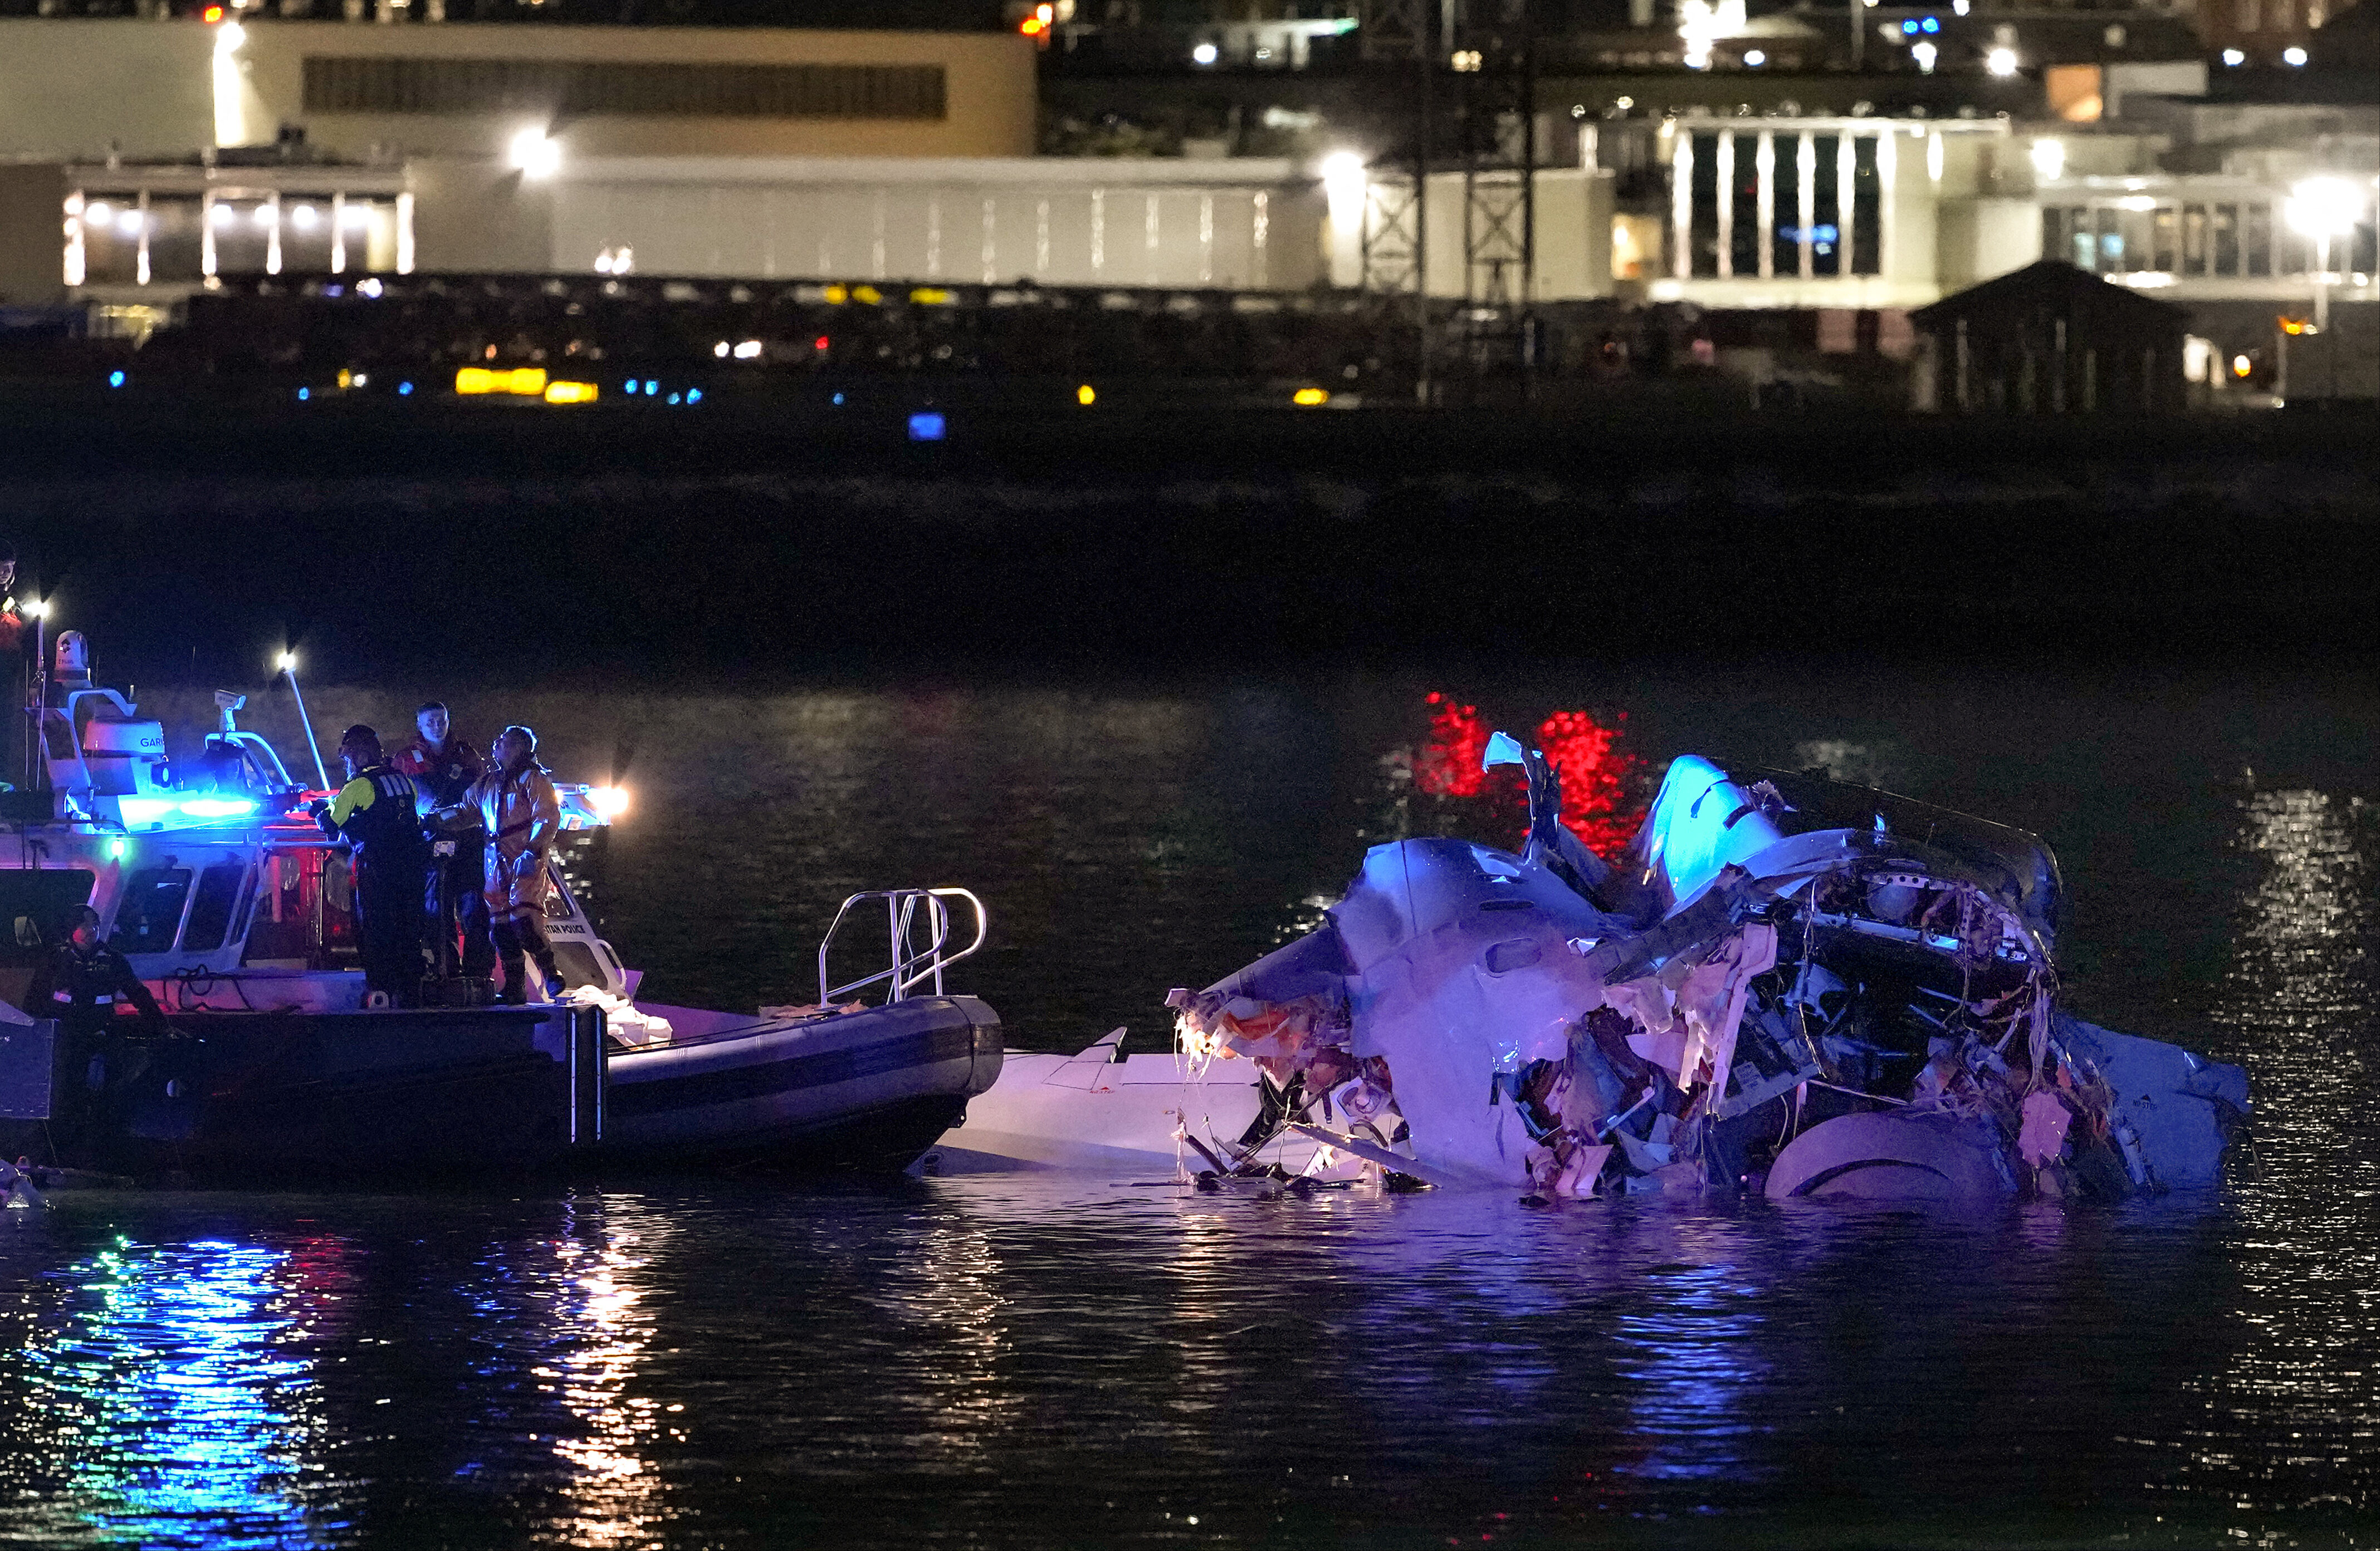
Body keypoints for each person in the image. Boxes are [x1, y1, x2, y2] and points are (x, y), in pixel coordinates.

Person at [312, 723, 433, 1007]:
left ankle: (380, 990)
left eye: (348, 759)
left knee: (376, 930)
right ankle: (410, 993)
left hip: (378, 870)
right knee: (409, 930)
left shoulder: (358, 786)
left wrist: (318, 811)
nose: (347, 765)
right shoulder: (404, 782)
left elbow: (330, 823)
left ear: (360, 757)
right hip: (412, 870)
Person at [390, 701, 492, 981]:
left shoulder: (467, 755)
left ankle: (478, 975)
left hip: (468, 839)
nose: (437, 726)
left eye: (442, 720)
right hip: (428, 841)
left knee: (475, 907)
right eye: (431, 722)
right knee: (437, 910)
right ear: (420, 726)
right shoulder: (405, 759)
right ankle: (446, 972)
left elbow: (484, 795)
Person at [471, 724, 565, 1005]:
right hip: (495, 863)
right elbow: (465, 809)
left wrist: (532, 851)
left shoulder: (533, 780)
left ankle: (551, 973)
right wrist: (435, 820)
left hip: (525, 859)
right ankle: (514, 988)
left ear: (519, 748)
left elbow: (547, 817)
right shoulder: (488, 783)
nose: (496, 744)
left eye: (503, 741)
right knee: (501, 928)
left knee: (524, 920)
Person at [25, 904, 167, 1038]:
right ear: (72, 929)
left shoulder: (112, 959)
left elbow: (138, 994)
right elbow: (37, 995)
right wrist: (34, 1030)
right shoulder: (55, 958)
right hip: (63, 1033)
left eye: (95, 924)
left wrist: (161, 1026)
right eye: (85, 925)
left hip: (101, 1033)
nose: (92, 930)